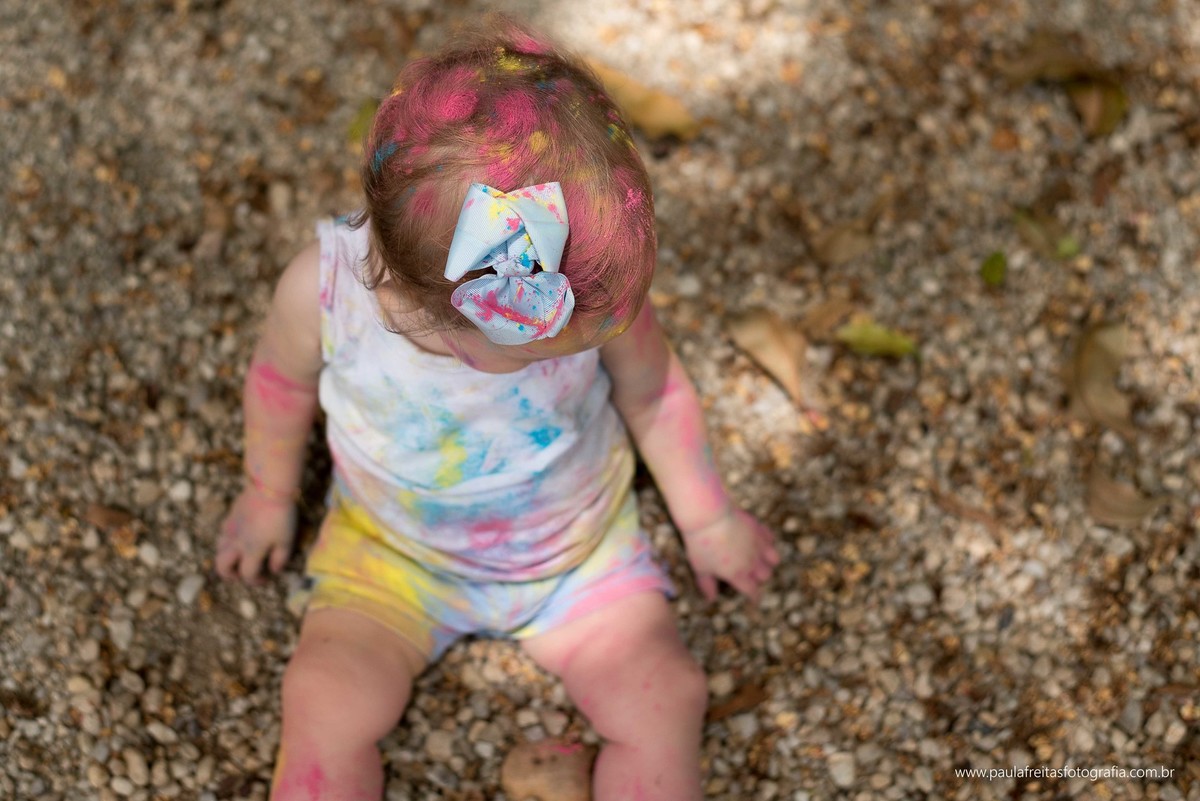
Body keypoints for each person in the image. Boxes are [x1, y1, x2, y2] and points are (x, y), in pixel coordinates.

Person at [217, 20, 779, 801]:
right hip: (391, 556)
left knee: (667, 695)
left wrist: (707, 517)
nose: (569, 349)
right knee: (322, 695)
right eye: (544, 350)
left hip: (577, 560)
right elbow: (279, 383)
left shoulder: (584, 288)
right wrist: (267, 495)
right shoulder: (319, 292)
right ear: (449, 316)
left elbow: (653, 389)